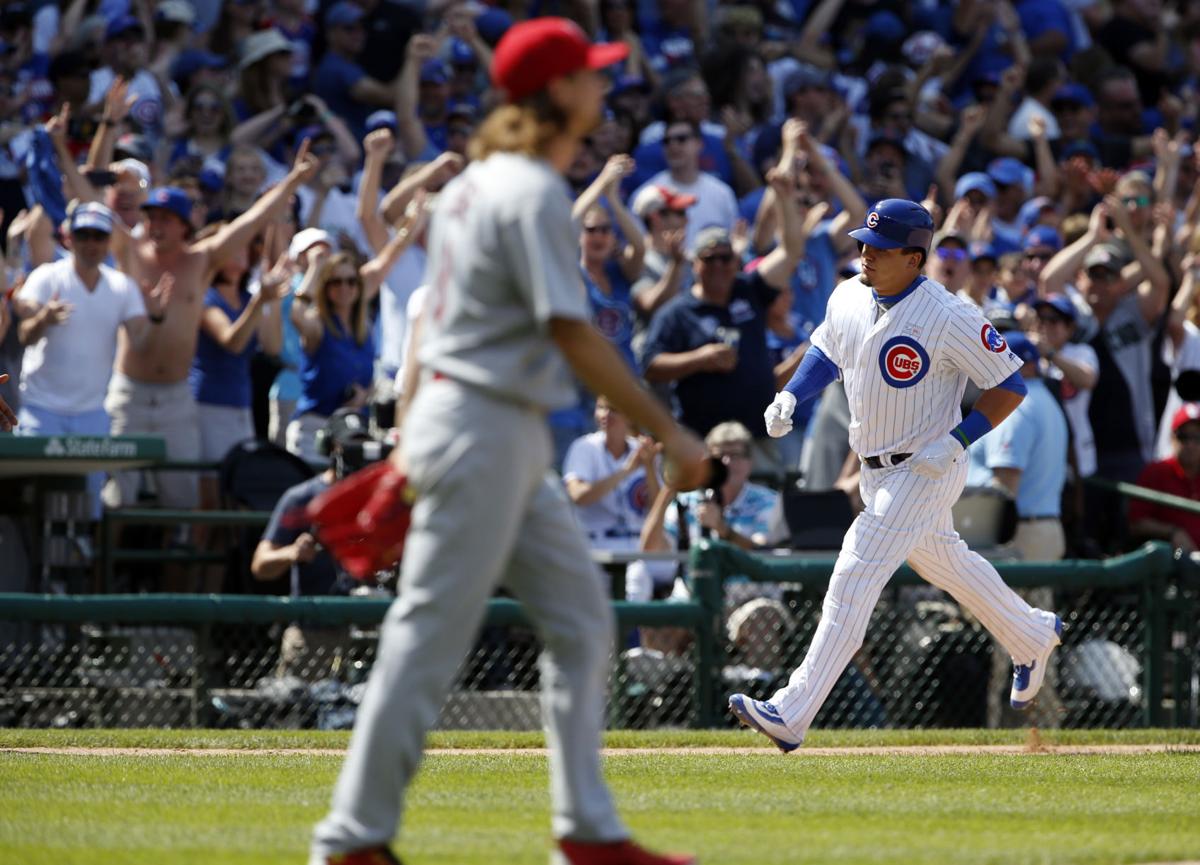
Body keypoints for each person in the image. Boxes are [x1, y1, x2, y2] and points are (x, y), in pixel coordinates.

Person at [306, 18, 707, 865]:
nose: (603, 87)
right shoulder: (527, 191)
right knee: (428, 633)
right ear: (557, 91)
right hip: (482, 425)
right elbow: (571, 330)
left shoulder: (475, 186)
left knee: (582, 618)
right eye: (591, 76)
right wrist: (667, 426)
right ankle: (350, 838)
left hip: (489, 424)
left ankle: (587, 831)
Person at [729, 199, 1064, 752]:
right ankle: (1030, 634)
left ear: (915, 257)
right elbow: (826, 351)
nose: (866, 254)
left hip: (927, 465)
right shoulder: (849, 293)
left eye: (880, 249)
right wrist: (790, 393)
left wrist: (956, 440)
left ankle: (792, 710)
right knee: (947, 563)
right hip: (874, 468)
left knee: (854, 573)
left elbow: (1010, 385)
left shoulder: (951, 314)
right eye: (864, 243)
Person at [104, 144, 319, 514]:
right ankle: (103, 574)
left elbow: (250, 222)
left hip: (176, 396)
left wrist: (294, 181)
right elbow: (89, 201)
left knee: (184, 507)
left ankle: (178, 572)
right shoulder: (131, 252)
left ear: (186, 226)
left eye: (166, 218)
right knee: (117, 504)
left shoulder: (199, 262)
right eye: (152, 216)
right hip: (129, 393)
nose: (156, 225)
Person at [13, 203, 169, 515]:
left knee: (87, 510)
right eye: (83, 234)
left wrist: (155, 316)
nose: (91, 243)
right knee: (32, 504)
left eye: (99, 236)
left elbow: (140, 341)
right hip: (41, 411)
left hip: (92, 413)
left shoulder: (121, 286)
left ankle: (81, 564)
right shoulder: (47, 276)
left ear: (108, 240)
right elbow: (24, 334)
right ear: (69, 237)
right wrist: (44, 318)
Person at [251, 411, 363, 680]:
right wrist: (293, 553)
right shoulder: (301, 498)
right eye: (348, 446)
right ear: (330, 448)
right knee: (300, 715)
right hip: (314, 630)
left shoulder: (377, 497)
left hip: (367, 629)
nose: (355, 454)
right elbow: (260, 565)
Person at [1129, 403, 1200, 553]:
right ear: (1173, 437)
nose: (1190, 444)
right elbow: (1136, 523)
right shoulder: (1156, 471)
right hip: (1174, 562)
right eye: (1184, 437)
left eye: (1197, 438)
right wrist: (1173, 531)